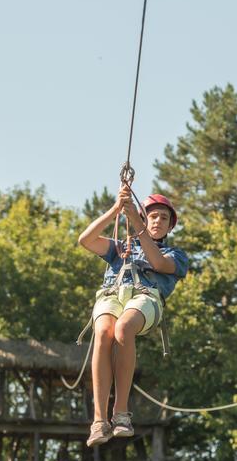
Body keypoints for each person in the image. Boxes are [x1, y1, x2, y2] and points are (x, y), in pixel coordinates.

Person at [77, 185, 188, 447]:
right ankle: (99, 420)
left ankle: (121, 413)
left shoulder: (176, 256)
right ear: (145, 218)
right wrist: (115, 210)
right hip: (112, 294)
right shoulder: (120, 247)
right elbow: (86, 240)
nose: (158, 221)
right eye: (153, 216)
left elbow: (159, 264)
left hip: (145, 297)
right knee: (104, 332)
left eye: (164, 217)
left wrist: (136, 222)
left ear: (170, 226)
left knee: (123, 329)